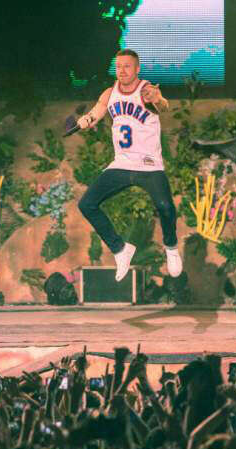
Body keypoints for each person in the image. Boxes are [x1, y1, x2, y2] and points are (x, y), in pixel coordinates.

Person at [76, 49, 182, 282]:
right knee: (86, 204)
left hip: (149, 165)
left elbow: (163, 106)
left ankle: (171, 248)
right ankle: (120, 249)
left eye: (127, 66)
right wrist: (87, 120)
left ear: (137, 69)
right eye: (118, 66)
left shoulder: (146, 90)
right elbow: (96, 112)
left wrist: (157, 98)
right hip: (122, 164)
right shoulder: (110, 93)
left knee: (165, 207)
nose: (122, 71)